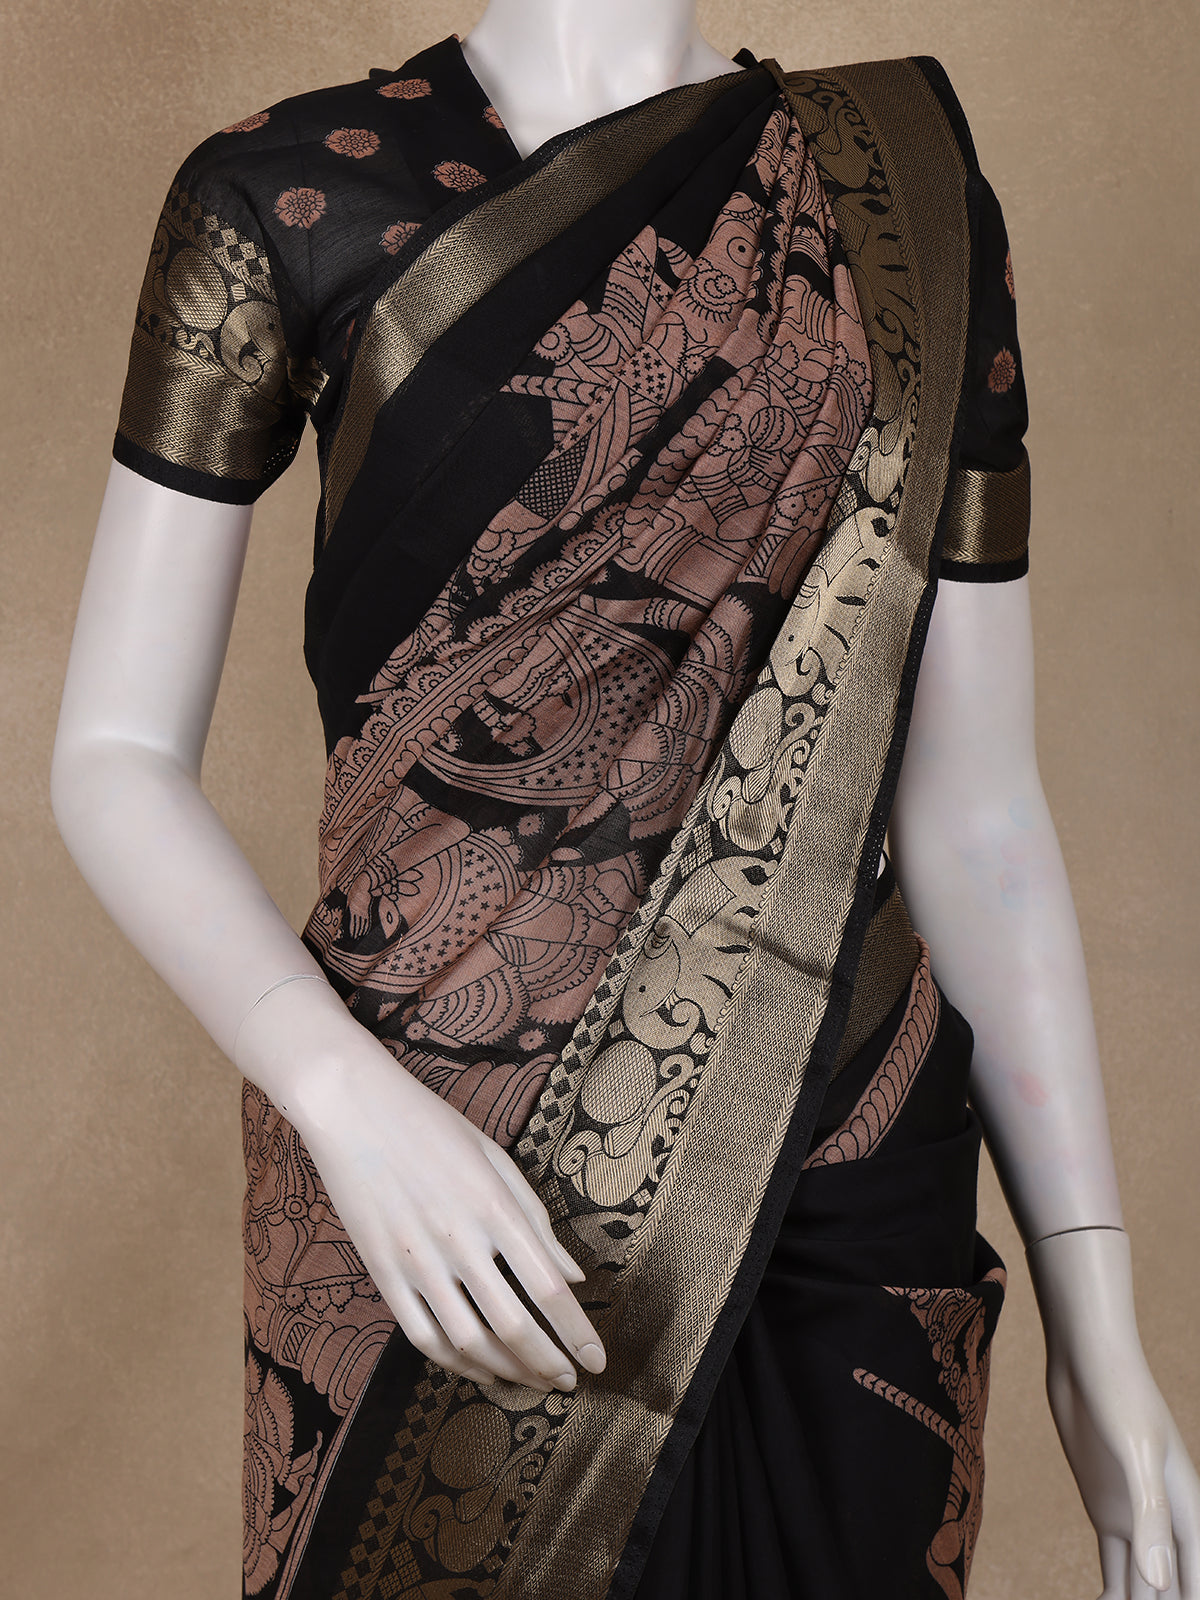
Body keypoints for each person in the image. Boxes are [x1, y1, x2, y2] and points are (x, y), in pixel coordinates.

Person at [50, 2, 1200, 1596]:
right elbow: (111, 755)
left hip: (835, 1154)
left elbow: (979, 805)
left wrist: (1099, 1314)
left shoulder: (900, 195)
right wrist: (339, 1095)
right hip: (436, 1153)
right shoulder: (289, 195)